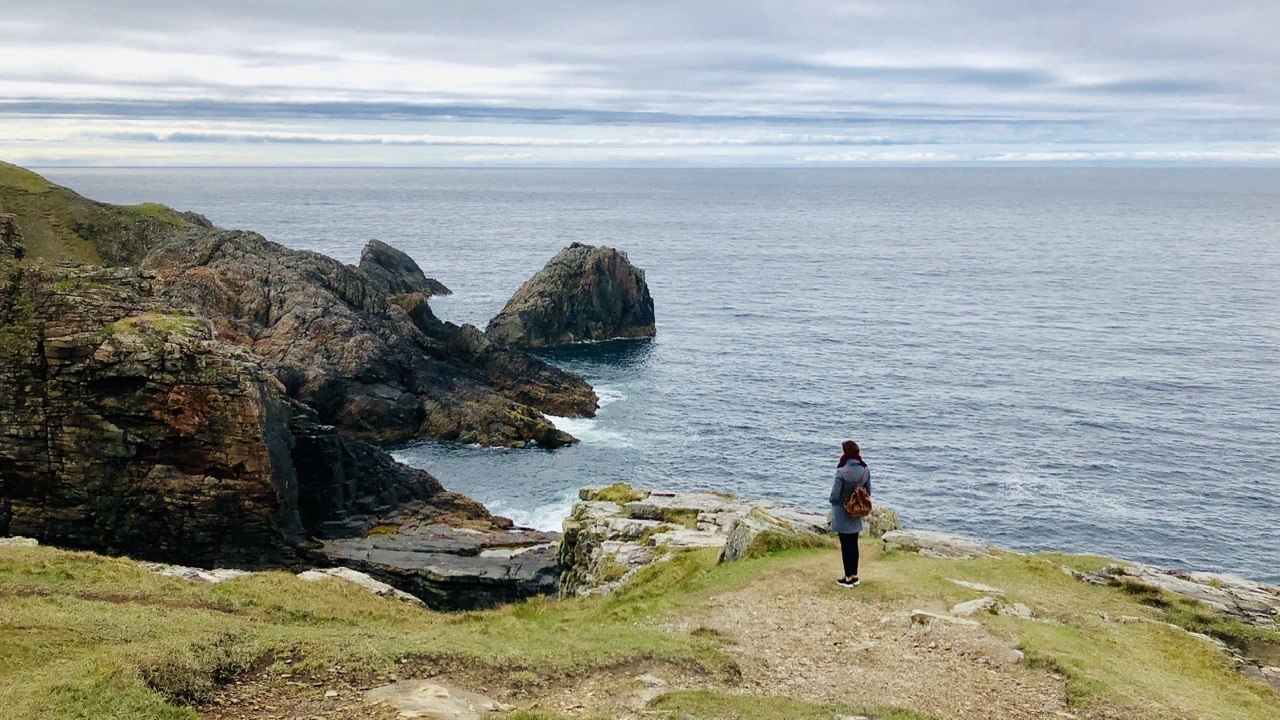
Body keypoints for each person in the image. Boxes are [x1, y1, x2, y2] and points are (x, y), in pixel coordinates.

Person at [829, 439, 871, 588]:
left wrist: (834, 501)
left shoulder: (842, 471)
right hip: (857, 511)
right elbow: (868, 492)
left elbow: (834, 496)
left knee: (845, 545)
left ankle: (848, 578)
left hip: (843, 512)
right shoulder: (865, 470)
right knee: (854, 543)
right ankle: (854, 575)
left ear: (846, 453)